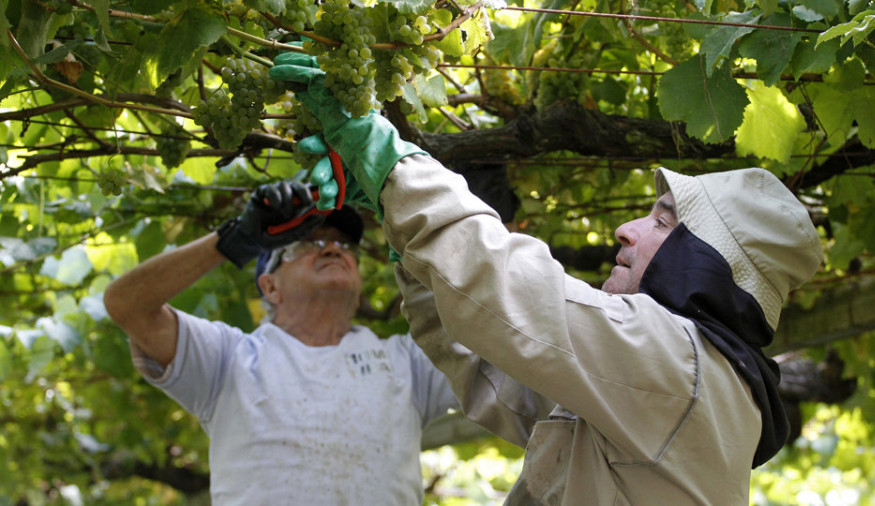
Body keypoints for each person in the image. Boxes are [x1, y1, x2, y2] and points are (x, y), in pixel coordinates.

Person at [270, 53, 824, 504]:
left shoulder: (683, 367)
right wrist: (407, 240)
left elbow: (507, 289)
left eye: (662, 220)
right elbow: (492, 364)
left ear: (705, 260)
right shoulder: (666, 387)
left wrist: (395, 164)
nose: (626, 231)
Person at [103, 181, 458, 504]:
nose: (333, 249)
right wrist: (235, 239)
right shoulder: (228, 358)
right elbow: (127, 305)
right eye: (310, 242)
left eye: (344, 244)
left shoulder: (406, 361)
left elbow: (494, 336)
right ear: (270, 286)